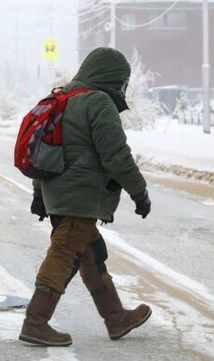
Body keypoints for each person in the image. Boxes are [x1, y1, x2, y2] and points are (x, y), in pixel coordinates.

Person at [20, 47, 152, 347]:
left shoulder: (62, 99)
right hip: (80, 198)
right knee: (64, 254)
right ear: (113, 78)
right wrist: (139, 192)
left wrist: (40, 194)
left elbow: (46, 150)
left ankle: (116, 317)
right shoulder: (98, 102)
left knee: (92, 255)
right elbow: (116, 156)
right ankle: (35, 323)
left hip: (60, 194)